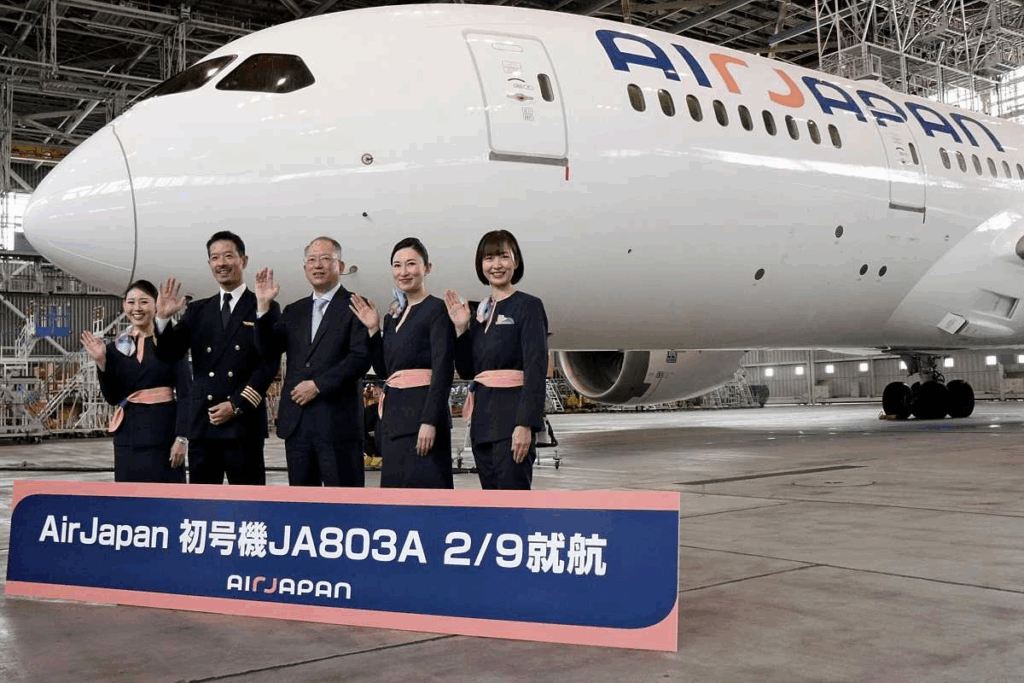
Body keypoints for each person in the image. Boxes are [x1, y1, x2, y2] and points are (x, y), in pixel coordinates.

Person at [154, 231, 280, 485]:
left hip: (242, 423)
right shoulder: (199, 310)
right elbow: (169, 353)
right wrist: (163, 319)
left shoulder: (263, 305)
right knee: (202, 505)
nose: (221, 263)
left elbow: (269, 363)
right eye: (214, 258)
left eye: (228, 256)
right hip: (204, 423)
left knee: (248, 505)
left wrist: (235, 405)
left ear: (243, 260)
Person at [254, 236, 371, 487]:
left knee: (344, 506)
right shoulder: (294, 310)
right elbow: (268, 350)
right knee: (301, 505)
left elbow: (360, 358)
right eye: (312, 260)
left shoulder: (356, 306)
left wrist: (318, 385)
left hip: (337, 425)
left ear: (340, 266)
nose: (318, 265)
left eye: (325, 259)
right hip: (297, 425)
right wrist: (263, 308)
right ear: (304, 267)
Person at [444, 230, 548, 490]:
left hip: (512, 423)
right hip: (482, 425)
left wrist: (526, 424)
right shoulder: (480, 311)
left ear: (516, 261)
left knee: (513, 503)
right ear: (481, 265)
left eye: (504, 256)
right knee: (491, 505)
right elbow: (469, 369)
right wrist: (460, 330)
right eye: (489, 258)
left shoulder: (528, 306)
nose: (496, 265)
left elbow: (536, 369)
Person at [350, 237, 456, 488]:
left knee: (429, 494)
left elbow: (443, 370)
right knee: (396, 498)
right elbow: (387, 370)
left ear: (427, 268)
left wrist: (430, 422)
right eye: (397, 266)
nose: (403, 272)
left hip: (423, 418)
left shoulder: (437, 310)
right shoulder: (393, 316)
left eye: (411, 264)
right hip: (394, 419)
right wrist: (374, 330)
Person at [81, 279, 190, 483]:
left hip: (163, 438)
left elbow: (186, 394)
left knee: (165, 501)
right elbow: (113, 397)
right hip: (128, 438)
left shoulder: (172, 342)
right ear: (124, 306)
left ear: (155, 304)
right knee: (130, 504)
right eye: (131, 302)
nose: (136, 308)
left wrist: (182, 438)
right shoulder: (116, 347)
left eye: (143, 302)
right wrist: (101, 362)